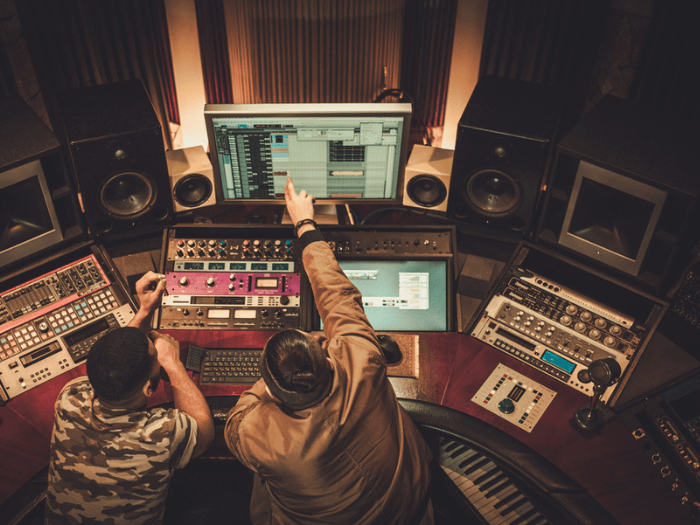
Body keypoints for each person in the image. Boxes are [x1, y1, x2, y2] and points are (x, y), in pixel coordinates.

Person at [224, 178, 434, 524]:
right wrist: (304, 222)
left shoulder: (256, 435)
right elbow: (337, 294)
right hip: (409, 506)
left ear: (275, 391)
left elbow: (236, 418)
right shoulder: (361, 356)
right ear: (326, 357)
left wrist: (265, 380)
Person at [45, 271, 215, 525]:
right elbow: (204, 430)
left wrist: (144, 311)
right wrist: (173, 363)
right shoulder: (161, 434)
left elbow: (117, 353)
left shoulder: (69, 397)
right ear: (149, 389)